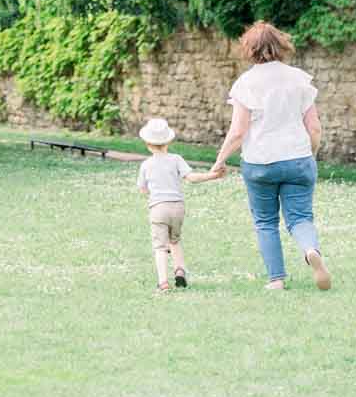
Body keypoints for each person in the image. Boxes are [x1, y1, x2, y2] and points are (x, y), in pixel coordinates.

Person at [205, 21, 332, 293]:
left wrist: (220, 160)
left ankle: (276, 279)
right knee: (300, 218)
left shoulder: (246, 83)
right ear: (280, 45)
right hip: (298, 158)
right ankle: (310, 250)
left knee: (266, 222)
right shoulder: (299, 78)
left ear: (249, 49)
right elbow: (315, 126)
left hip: (260, 162)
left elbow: (238, 131)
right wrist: (311, 153)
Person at [136, 115, 215, 294]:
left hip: (158, 208)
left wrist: (152, 193)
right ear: (168, 142)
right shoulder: (176, 159)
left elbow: (142, 188)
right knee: (175, 240)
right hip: (178, 207)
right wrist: (212, 175)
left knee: (160, 247)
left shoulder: (146, 165)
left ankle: (163, 282)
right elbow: (191, 178)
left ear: (147, 144)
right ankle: (180, 269)